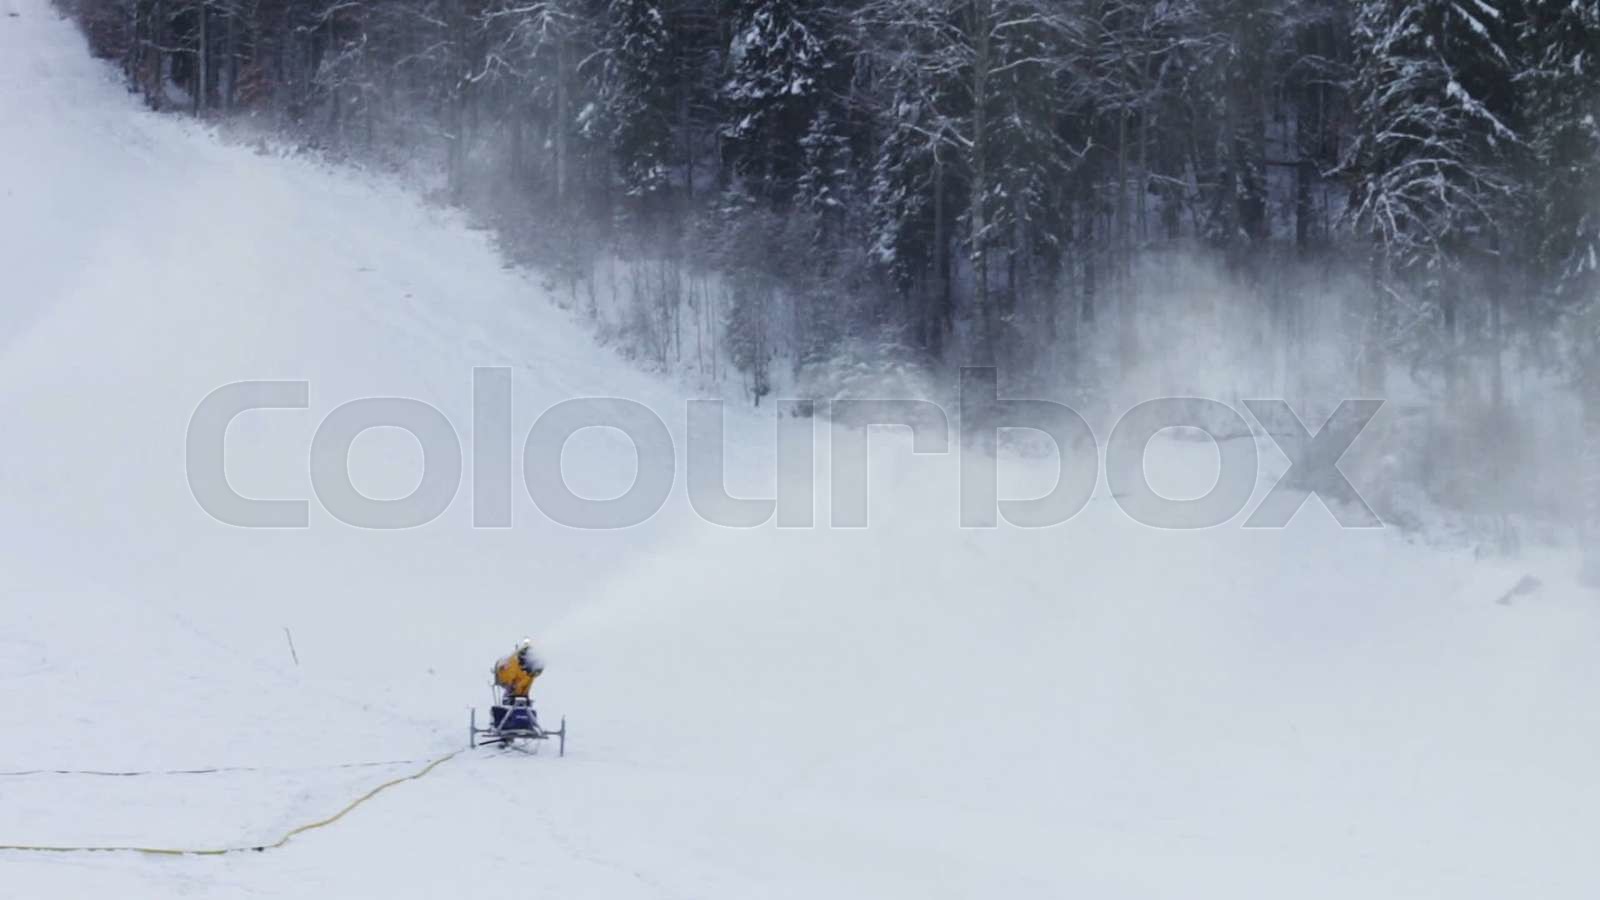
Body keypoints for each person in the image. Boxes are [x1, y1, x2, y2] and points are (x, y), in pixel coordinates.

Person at [492, 638, 545, 706]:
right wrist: (511, 687)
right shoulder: (512, 665)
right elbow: (510, 680)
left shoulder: (527, 670)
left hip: (519, 694)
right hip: (513, 695)